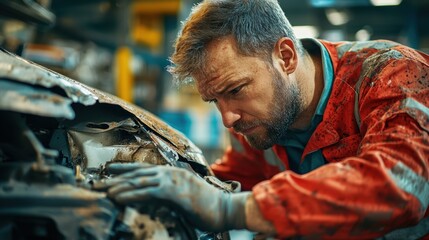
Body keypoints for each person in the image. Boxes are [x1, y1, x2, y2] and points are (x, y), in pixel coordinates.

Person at [97, 0, 429, 238]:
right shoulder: (253, 123)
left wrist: (232, 211)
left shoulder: (393, 75)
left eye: (236, 89)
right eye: (214, 100)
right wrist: (177, 186)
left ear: (285, 56)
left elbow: (403, 185)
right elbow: (235, 180)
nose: (227, 118)